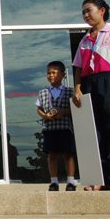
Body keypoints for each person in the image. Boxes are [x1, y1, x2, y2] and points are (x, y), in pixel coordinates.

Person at [72, 0, 110, 191]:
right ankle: (97, 178)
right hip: (89, 84)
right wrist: (78, 89)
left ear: (102, 10)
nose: (85, 15)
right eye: (83, 12)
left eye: (89, 10)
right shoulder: (84, 40)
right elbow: (78, 68)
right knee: (93, 132)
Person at [36, 61, 76, 192]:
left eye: (54, 72)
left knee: (68, 154)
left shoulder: (70, 92)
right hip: (50, 129)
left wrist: (63, 112)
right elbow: (39, 109)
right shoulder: (43, 92)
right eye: (49, 73)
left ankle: (70, 181)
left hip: (65, 128)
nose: (51, 75)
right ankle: (54, 181)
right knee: (52, 155)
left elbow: (74, 108)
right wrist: (45, 116)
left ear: (63, 74)